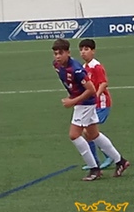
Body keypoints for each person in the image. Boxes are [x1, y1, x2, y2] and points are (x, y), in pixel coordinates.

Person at [52, 39, 129, 181]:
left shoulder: (77, 69)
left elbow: (91, 90)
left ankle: (94, 169)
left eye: (61, 53)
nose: (57, 56)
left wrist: (72, 101)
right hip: (82, 102)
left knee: (74, 135)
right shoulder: (57, 65)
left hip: (85, 103)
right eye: (55, 53)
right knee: (94, 134)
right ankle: (120, 162)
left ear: (68, 53)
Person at [78, 39, 113, 170]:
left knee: (89, 131)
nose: (83, 52)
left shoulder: (96, 66)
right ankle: (94, 161)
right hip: (91, 104)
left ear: (93, 51)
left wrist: (96, 95)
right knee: (87, 132)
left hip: (102, 104)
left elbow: (104, 83)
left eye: (86, 49)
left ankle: (108, 155)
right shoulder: (84, 67)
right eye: (81, 50)